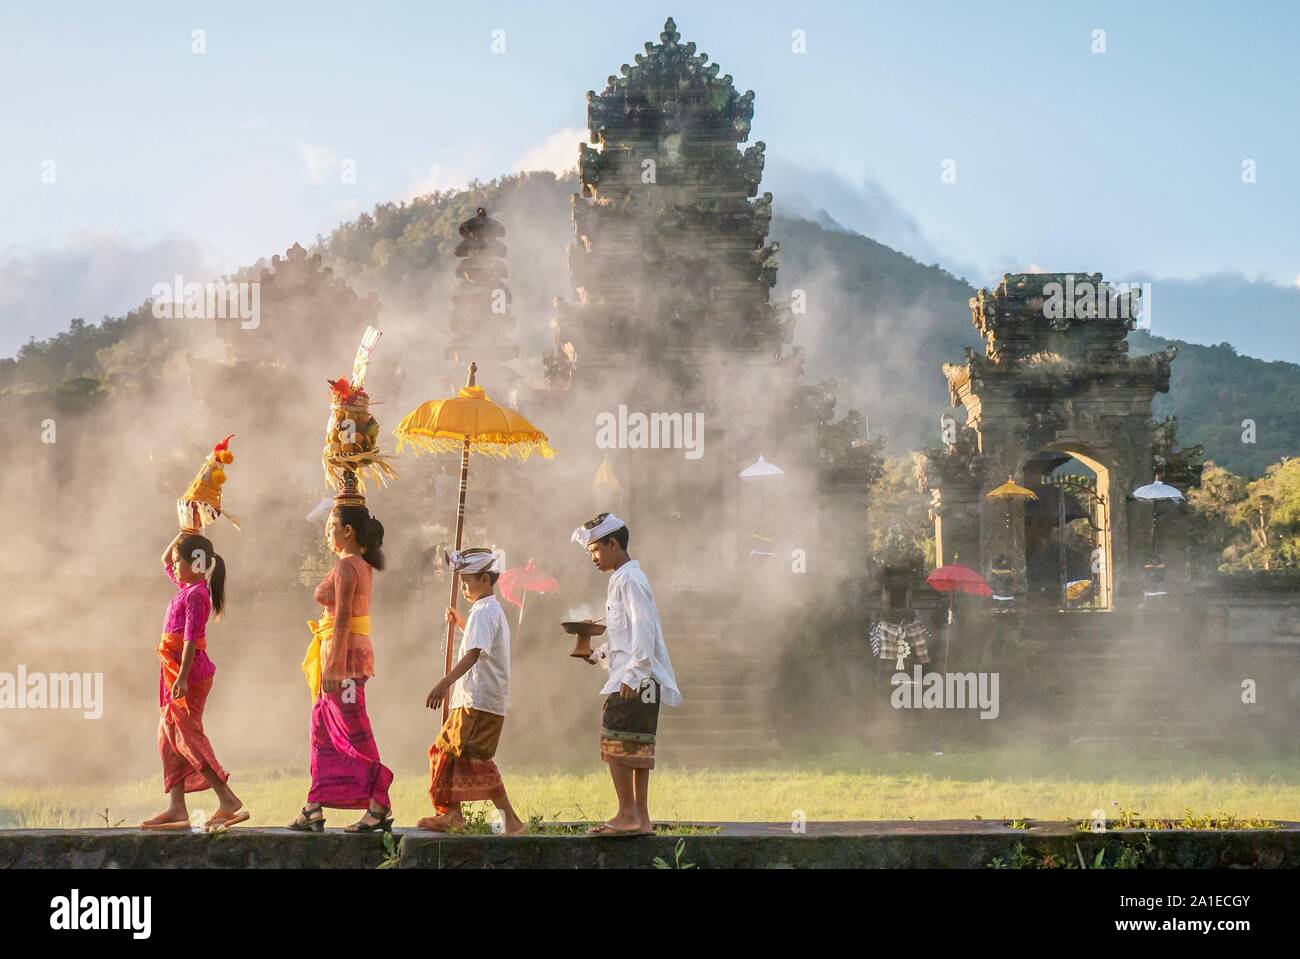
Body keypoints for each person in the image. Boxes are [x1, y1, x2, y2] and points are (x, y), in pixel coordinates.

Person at [571, 513, 680, 837]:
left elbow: (644, 628)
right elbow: (626, 636)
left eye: (595, 550)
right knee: (636, 745)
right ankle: (640, 819)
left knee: (615, 739)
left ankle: (627, 814)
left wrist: (634, 674)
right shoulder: (622, 578)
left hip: (637, 679)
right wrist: (598, 654)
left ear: (613, 544)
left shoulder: (630, 579)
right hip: (638, 675)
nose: (593, 557)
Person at [289, 502, 395, 833]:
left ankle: (379, 804)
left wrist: (333, 669)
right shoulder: (352, 565)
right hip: (336, 655)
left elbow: (344, 619)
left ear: (347, 531)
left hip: (344, 659)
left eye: (330, 528)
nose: (327, 535)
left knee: (352, 729)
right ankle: (313, 806)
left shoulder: (350, 567)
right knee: (321, 730)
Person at [141, 530, 247, 831]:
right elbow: (164, 558)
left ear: (196, 563)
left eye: (179, 562)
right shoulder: (186, 587)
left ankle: (227, 798)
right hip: (172, 670)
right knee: (167, 736)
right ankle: (177, 807)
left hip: (189, 672)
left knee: (187, 734)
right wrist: (184, 530)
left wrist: (184, 677)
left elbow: (191, 639)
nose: (173, 566)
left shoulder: (198, 595)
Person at [418, 547, 525, 834]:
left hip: (476, 701)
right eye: (462, 581)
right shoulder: (487, 611)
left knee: (471, 759)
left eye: (468, 581)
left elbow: (474, 653)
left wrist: (443, 684)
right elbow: (480, 643)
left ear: (487, 580)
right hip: (475, 699)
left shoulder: (484, 611)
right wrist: (460, 622)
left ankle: (510, 821)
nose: (464, 587)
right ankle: (453, 814)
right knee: (449, 753)